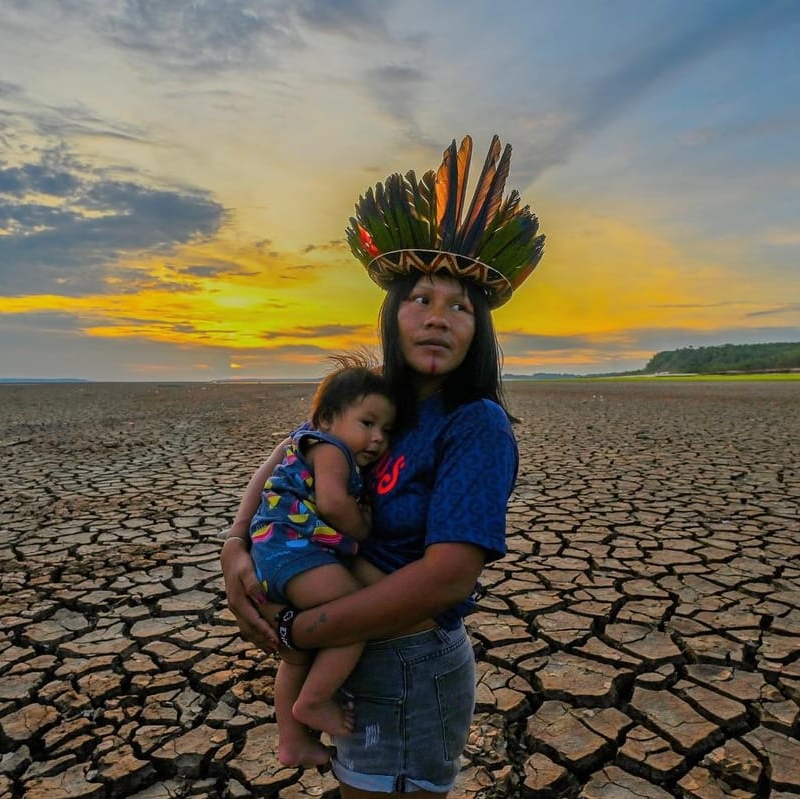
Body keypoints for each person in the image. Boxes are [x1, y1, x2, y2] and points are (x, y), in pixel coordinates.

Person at [220, 133, 544, 797]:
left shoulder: (473, 423)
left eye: (460, 307)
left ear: (479, 331)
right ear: (392, 315)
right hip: (355, 658)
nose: (438, 318)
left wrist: (299, 627)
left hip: (409, 665)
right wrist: (234, 546)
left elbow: (446, 578)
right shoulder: (378, 410)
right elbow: (293, 449)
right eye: (420, 299)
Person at [248, 356, 397, 767]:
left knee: (295, 655)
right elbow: (332, 504)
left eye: (386, 429)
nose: (378, 438)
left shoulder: (309, 442)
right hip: (295, 552)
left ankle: (291, 741)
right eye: (367, 423)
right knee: (354, 616)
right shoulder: (329, 448)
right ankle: (314, 701)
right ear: (328, 419)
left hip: (277, 556)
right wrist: (364, 529)